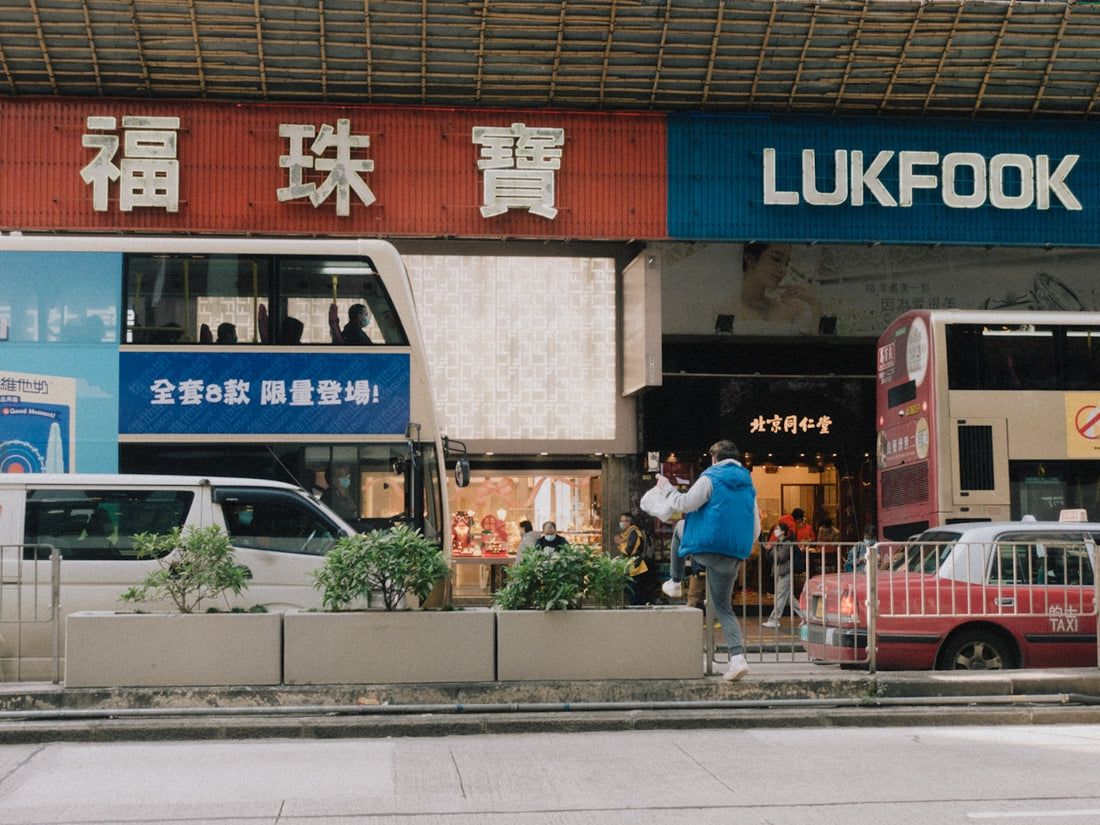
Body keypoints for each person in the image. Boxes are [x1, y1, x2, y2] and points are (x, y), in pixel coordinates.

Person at [657, 439, 760, 681]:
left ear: (714, 459)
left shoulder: (710, 476)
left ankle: (674, 581)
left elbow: (685, 504)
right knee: (724, 607)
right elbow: (755, 528)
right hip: (733, 554)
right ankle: (737, 659)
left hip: (707, 546)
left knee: (679, 527)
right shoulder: (748, 484)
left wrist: (666, 487)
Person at [715, 242, 822, 335]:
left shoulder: (792, 308)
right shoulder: (725, 310)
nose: (783, 270)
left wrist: (815, 303)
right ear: (750, 259)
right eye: (776, 259)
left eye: (786, 263)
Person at [763, 521, 803, 628]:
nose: (775, 531)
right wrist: (768, 551)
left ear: (783, 532)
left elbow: (781, 557)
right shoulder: (777, 542)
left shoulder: (787, 544)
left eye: (778, 529)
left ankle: (774, 619)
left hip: (785, 572)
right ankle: (805, 617)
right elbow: (772, 558)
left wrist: (771, 549)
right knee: (790, 598)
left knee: (780, 596)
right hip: (778, 572)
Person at [616, 512, 656, 605]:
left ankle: (637, 607)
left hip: (635, 566)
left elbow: (630, 550)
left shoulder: (634, 533)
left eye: (622, 521)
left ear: (628, 522)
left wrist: (621, 544)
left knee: (632, 589)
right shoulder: (628, 532)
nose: (620, 523)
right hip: (630, 566)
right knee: (631, 589)